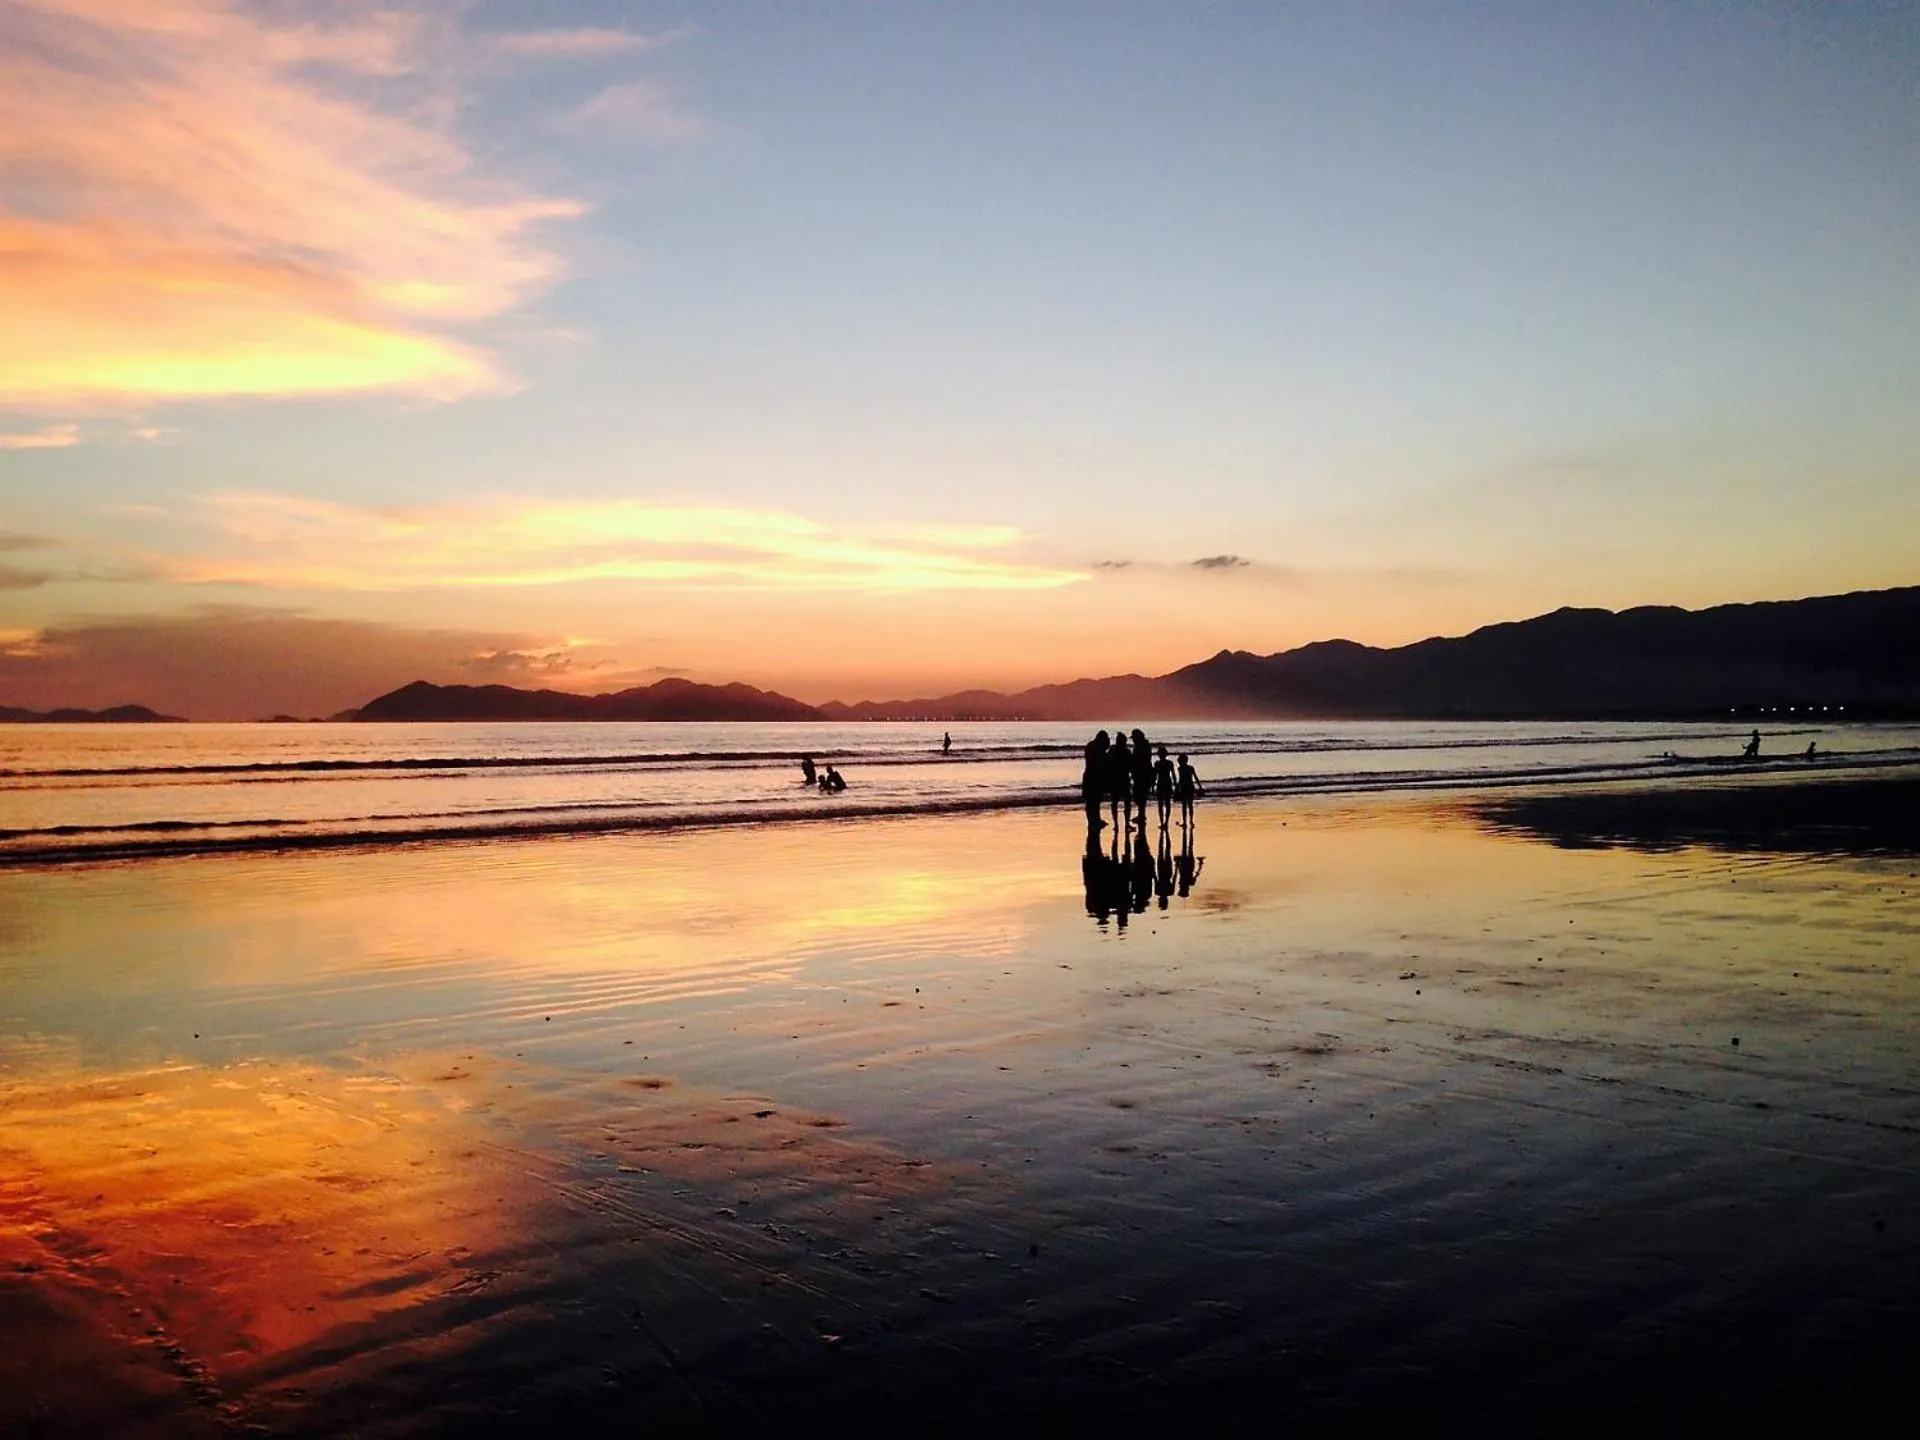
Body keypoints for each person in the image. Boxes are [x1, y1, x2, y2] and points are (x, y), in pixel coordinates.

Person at [1082, 730, 1110, 828]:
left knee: (1094, 800)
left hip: (1092, 776)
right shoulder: (1096, 748)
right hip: (1093, 776)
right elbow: (1100, 763)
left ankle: (1094, 819)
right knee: (1092, 800)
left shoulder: (1092, 746)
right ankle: (1093, 820)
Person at [1106, 730, 1134, 831]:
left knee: (1115, 802)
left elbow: (1107, 764)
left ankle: (1116, 824)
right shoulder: (1127, 752)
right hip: (1124, 778)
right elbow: (1131, 766)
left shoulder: (1112, 750)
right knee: (1127, 802)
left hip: (1114, 779)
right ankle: (1126, 824)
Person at [1129, 729, 1153, 829]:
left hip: (1142, 773)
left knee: (1140, 795)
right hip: (1143, 773)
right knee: (1140, 795)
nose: (1133, 740)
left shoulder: (1141, 747)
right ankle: (1141, 815)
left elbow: (1139, 760)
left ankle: (1141, 815)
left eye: (1134, 738)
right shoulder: (1144, 746)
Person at [1177, 753, 1204, 827]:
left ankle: (1185, 822)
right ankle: (1191, 821)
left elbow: (1180, 780)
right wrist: (1200, 786)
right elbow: (1195, 777)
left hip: (1184, 787)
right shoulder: (1190, 768)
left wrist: (1177, 788)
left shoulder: (1180, 769)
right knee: (1190, 805)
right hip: (1190, 787)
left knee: (1184, 806)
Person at [1152, 744, 1175, 827]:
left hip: (1161, 783)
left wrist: (1152, 786)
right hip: (1166, 783)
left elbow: (1155, 776)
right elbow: (1173, 774)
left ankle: (1163, 822)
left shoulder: (1157, 763)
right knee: (1166, 804)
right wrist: (1175, 785)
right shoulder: (1169, 763)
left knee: (1161, 804)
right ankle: (1165, 822)